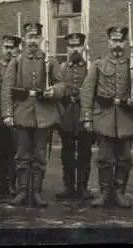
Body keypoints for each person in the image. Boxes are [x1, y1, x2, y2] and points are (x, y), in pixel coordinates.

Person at [80, 26, 133, 209]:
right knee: (105, 158)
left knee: (124, 158)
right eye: (114, 41)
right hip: (104, 117)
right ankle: (105, 193)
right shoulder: (98, 65)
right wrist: (88, 118)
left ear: (126, 43)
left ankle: (119, 192)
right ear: (108, 42)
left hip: (126, 118)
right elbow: (87, 91)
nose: (117, 45)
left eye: (121, 41)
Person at [0, 22, 66, 208]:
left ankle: (35, 192)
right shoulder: (17, 62)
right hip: (21, 113)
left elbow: (61, 85)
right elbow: (6, 89)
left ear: (41, 39)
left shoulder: (49, 61)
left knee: (39, 154)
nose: (33, 41)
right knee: (22, 154)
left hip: (43, 115)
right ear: (24, 40)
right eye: (29, 37)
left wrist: (54, 91)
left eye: (36, 37)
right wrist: (7, 113)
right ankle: (22, 191)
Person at [55, 33, 95, 201]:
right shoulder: (62, 68)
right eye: (71, 46)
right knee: (67, 153)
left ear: (83, 47)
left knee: (85, 152)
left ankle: (83, 187)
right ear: (67, 48)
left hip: (84, 114)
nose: (74, 49)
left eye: (77, 45)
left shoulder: (91, 67)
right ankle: (69, 187)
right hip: (67, 115)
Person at [0, 35, 22, 198]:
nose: (8, 51)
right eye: (6, 47)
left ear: (17, 49)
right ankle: (0, 182)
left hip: (16, 112)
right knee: (0, 150)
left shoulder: (20, 66)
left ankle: (12, 184)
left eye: (12, 47)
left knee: (15, 149)